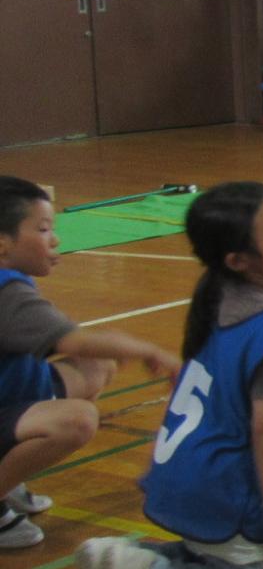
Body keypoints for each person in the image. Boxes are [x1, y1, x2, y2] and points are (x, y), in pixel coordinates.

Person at [73, 182, 263, 569]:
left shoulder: (217, 297)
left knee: (229, 562)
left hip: (182, 480)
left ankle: (130, 562)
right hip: (224, 496)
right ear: (238, 260)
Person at [0, 177, 179, 549]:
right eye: (43, 229)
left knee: (98, 365)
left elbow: (71, 341)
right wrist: (153, 352)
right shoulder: (7, 293)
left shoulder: (13, 285)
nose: (55, 240)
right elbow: (77, 340)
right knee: (78, 420)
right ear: (3, 244)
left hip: (9, 396)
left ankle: (8, 470)